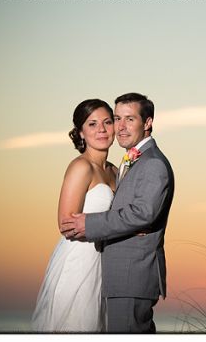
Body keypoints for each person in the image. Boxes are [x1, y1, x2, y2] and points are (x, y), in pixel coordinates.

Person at [60, 93, 175, 333]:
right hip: (100, 266)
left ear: (147, 123)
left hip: (131, 272)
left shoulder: (151, 163)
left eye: (129, 119)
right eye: (117, 118)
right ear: (80, 132)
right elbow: (67, 222)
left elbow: (143, 213)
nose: (120, 127)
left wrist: (93, 224)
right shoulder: (125, 163)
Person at [32, 99, 117, 332]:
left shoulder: (115, 171)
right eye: (92, 124)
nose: (101, 129)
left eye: (107, 122)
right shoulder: (81, 167)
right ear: (81, 132)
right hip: (80, 259)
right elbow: (65, 224)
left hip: (105, 261)